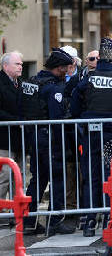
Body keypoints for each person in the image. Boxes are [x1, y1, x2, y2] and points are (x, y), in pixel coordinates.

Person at [71, 38, 112, 237]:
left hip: (90, 136)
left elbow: (74, 109)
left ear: (99, 56)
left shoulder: (87, 79)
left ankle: (89, 223)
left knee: (91, 176)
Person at [22, 48, 76, 236]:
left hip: (34, 138)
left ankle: (28, 222)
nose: (68, 72)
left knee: (37, 180)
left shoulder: (32, 81)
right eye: (66, 69)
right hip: (50, 140)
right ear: (59, 68)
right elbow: (57, 117)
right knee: (58, 180)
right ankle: (54, 222)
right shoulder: (54, 88)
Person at [0, 52, 23, 205]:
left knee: (19, 177)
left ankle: (17, 214)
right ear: (5, 66)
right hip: (3, 138)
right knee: (5, 176)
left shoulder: (20, 83)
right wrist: (17, 120)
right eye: (17, 64)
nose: (21, 67)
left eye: (21, 64)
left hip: (19, 138)